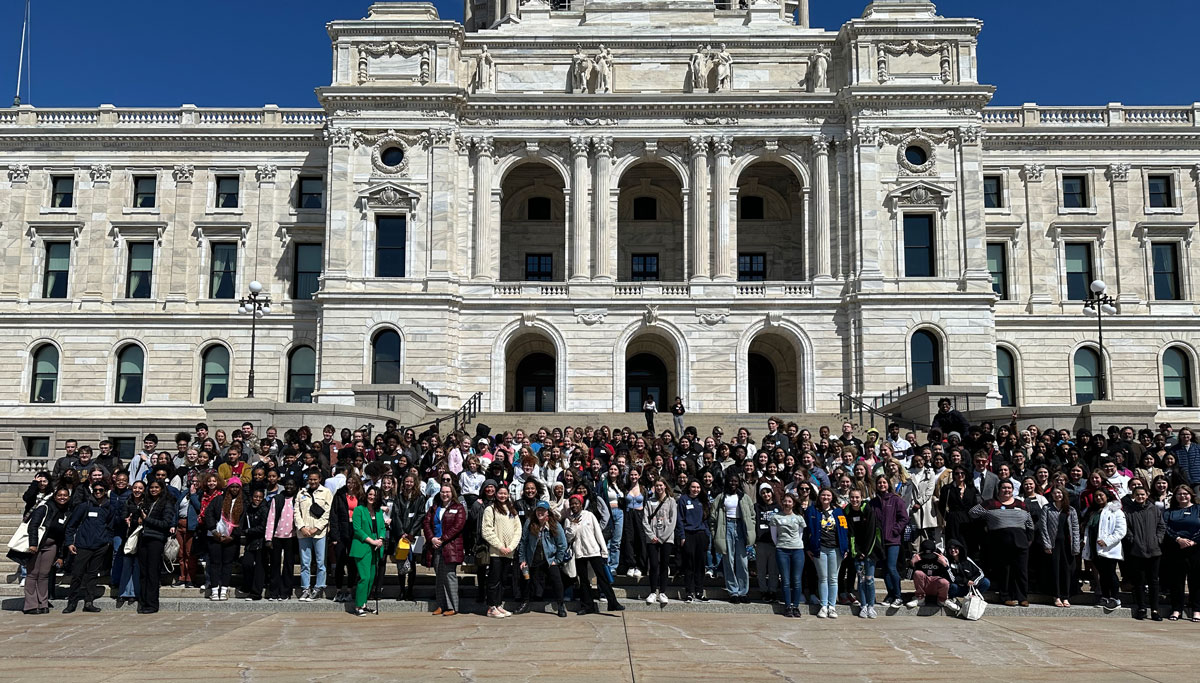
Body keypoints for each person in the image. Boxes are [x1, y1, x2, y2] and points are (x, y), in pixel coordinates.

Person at [970, 480, 1034, 607]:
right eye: (1004, 488)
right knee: (1005, 572)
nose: (1007, 490)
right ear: (999, 489)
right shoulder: (990, 503)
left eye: (1009, 488)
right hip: (999, 545)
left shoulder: (1021, 504)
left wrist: (1028, 540)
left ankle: (1022, 597)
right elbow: (972, 512)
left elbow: (1030, 523)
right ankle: (1005, 597)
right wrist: (985, 525)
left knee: (1021, 572)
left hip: (1020, 544)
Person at [563, 493, 624, 614]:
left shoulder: (589, 515)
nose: (574, 506)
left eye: (576, 503)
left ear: (581, 504)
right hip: (579, 553)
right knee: (584, 581)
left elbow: (598, 533)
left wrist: (604, 550)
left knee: (602, 577)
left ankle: (613, 602)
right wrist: (573, 525)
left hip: (593, 551)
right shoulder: (568, 520)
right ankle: (587, 606)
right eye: (572, 504)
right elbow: (568, 538)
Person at [63, 480, 113, 613]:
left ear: (105, 491)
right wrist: (69, 542)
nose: (97, 492)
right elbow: (71, 525)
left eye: (100, 490)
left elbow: (111, 525)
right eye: (95, 490)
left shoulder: (109, 507)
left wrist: (107, 541)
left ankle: (89, 602)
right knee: (77, 575)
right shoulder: (84, 506)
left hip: (100, 547)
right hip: (83, 545)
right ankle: (71, 602)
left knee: (92, 575)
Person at [23, 487, 71, 615]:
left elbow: (63, 537)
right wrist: (33, 544)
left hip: (52, 546)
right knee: (32, 574)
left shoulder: (67, 513)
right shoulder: (44, 508)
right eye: (60, 495)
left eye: (65, 495)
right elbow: (33, 526)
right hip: (37, 544)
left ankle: (42, 603)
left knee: (44, 575)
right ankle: (30, 605)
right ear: (55, 496)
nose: (62, 497)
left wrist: (60, 556)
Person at [518, 500, 569, 617]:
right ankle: (525, 603)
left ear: (548, 512)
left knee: (557, 580)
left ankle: (560, 605)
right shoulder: (529, 522)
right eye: (538, 510)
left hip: (549, 559)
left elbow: (562, 544)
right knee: (526, 579)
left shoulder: (554, 524)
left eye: (543, 510)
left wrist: (557, 560)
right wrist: (523, 559)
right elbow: (523, 542)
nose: (540, 512)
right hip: (532, 559)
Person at [1123, 484, 1166, 620]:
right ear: (1133, 496)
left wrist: (1158, 539)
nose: (1140, 496)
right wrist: (1132, 539)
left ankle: (1155, 609)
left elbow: (1161, 526)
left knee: (1154, 581)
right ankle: (1141, 607)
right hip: (1137, 550)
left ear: (1147, 495)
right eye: (1137, 494)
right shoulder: (1129, 511)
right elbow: (1127, 528)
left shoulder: (1154, 509)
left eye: (1143, 494)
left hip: (1154, 551)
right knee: (1139, 581)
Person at [805, 487, 849, 618]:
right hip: (820, 549)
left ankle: (832, 606)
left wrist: (845, 548)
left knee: (833, 578)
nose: (826, 498)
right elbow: (806, 531)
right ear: (819, 497)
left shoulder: (839, 512)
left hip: (836, 549)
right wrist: (808, 548)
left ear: (832, 497)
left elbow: (844, 530)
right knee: (823, 578)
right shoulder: (812, 511)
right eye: (823, 495)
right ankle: (823, 606)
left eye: (828, 495)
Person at [710, 473, 754, 603]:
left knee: (742, 561)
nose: (733, 483)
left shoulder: (744, 497)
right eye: (731, 481)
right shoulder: (721, 497)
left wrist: (751, 530)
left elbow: (752, 515)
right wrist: (715, 533)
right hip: (726, 526)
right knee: (728, 560)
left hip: (741, 527)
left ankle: (743, 592)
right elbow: (713, 518)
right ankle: (733, 591)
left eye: (735, 481)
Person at [134, 479, 176, 613]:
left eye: (157, 487)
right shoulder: (146, 502)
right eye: (151, 487)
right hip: (143, 539)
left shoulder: (167, 504)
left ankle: (152, 604)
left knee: (152, 573)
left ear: (162, 489)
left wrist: (147, 519)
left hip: (156, 540)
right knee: (143, 573)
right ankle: (143, 601)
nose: (153, 490)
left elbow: (165, 523)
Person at [424, 483, 466, 616]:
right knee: (439, 577)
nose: (445, 494)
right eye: (442, 492)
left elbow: (457, 526)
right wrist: (432, 539)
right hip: (435, 546)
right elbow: (426, 523)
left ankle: (453, 606)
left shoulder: (458, 508)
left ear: (452, 493)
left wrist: (442, 539)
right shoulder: (434, 507)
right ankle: (441, 605)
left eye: (447, 492)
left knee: (449, 576)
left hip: (450, 546)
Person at [1082, 488, 1125, 610]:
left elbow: (1121, 530)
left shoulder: (1115, 511)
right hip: (1094, 547)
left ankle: (1115, 598)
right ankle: (1105, 596)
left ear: (1107, 496)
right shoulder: (1093, 511)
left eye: (1101, 495)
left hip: (1109, 548)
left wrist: (1107, 541)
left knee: (1110, 573)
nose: (1098, 498)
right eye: (1096, 496)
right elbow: (1088, 528)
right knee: (1102, 574)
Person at [869, 474, 909, 607]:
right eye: (879, 483)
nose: (882, 485)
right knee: (885, 569)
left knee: (892, 567)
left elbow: (904, 518)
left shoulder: (896, 500)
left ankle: (898, 596)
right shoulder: (873, 502)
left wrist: (895, 530)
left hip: (893, 540)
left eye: (884, 483)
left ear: (888, 484)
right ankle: (890, 595)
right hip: (879, 541)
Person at [481, 485, 521, 618]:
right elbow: (487, 531)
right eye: (500, 493)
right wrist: (500, 546)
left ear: (508, 495)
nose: (502, 496)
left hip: (509, 552)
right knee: (494, 580)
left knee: (503, 580)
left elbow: (518, 530)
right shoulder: (490, 509)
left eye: (505, 493)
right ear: (496, 494)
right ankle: (491, 607)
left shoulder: (512, 510)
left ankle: (498, 604)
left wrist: (511, 547)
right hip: (495, 552)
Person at [1037, 485, 1080, 607]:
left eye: (1060, 493)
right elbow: (1043, 527)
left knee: (1066, 570)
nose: (1057, 495)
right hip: (1053, 544)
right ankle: (1056, 596)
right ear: (1052, 495)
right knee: (1055, 570)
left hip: (1067, 545)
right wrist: (1047, 544)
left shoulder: (1071, 510)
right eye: (1055, 493)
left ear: (1064, 494)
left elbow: (1075, 528)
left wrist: (1076, 546)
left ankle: (1066, 596)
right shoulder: (1047, 508)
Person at [294, 470, 334, 601]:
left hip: (319, 533)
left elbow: (328, 512)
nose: (312, 482)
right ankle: (305, 588)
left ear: (320, 479)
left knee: (320, 561)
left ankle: (318, 587)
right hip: (303, 532)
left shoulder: (326, 493)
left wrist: (317, 528)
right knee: (305, 562)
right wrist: (302, 527)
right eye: (310, 479)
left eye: (315, 479)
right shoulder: (301, 493)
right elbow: (296, 512)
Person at [1162, 484, 1200, 621]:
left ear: (1191, 495)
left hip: (1195, 549)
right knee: (1176, 581)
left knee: (1196, 581)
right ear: (1175, 497)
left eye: (1185, 493)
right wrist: (1178, 539)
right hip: (1176, 549)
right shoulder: (1169, 512)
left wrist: (1194, 540)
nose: (1182, 496)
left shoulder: (1198, 509)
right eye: (1179, 494)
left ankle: (1196, 609)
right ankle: (1176, 609)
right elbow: (1165, 528)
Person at [203, 477, 243, 601]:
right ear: (228, 487)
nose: (234, 489)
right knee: (215, 564)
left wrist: (232, 536)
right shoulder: (218, 500)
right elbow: (208, 515)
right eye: (232, 486)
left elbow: (242, 522)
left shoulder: (242, 503)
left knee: (227, 564)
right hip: (215, 537)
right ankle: (214, 590)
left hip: (231, 539)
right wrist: (214, 532)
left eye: (237, 487)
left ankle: (224, 589)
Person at [350, 486, 387, 617]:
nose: (372, 497)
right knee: (364, 577)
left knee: (371, 578)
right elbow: (357, 529)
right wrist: (372, 541)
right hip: (362, 546)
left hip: (375, 548)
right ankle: (358, 605)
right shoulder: (359, 510)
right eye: (370, 494)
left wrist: (381, 538)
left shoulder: (378, 512)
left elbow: (382, 527)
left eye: (375, 495)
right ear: (366, 495)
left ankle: (364, 603)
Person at [770, 491, 807, 617]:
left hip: (797, 549)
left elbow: (800, 534)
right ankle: (787, 606)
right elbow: (774, 536)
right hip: (782, 549)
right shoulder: (776, 517)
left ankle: (795, 606)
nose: (787, 503)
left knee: (796, 580)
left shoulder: (799, 518)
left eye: (789, 501)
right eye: (785, 501)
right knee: (785, 580)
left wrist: (795, 544)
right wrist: (781, 544)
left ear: (793, 503)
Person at [844, 488, 879, 618]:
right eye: (852, 497)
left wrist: (865, 552)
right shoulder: (847, 511)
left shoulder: (868, 510)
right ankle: (863, 606)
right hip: (857, 552)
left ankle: (871, 606)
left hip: (870, 551)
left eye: (857, 497)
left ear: (862, 497)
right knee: (861, 580)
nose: (854, 500)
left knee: (869, 580)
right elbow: (850, 533)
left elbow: (871, 533)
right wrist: (857, 552)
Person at [391, 473, 426, 601]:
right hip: (401, 535)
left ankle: (410, 590)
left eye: (411, 482)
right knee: (401, 562)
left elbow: (421, 515)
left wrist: (411, 532)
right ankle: (401, 590)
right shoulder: (398, 497)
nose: (409, 484)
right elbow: (396, 514)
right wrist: (401, 532)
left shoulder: (420, 498)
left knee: (412, 563)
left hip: (413, 535)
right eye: (407, 481)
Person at [642, 479, 677, 605]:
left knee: (664, 565)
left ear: (665, 486)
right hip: (652, 539)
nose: (659, 488)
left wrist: (662, 538)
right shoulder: (649, 502)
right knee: (654, 565)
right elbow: (645, 520)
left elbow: (673, 521)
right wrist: (651, 535)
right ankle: (652, 591)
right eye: (656, 485)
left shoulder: (671, 501)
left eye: (661, 485)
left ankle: (662, 592)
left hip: (666, 539)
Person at [264, 476, 298, 601]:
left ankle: (285, 592)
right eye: (287, 485)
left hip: (291, 537)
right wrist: (269, 538)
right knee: (275, 564)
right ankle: (274, 591)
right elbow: (271, 518)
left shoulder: (298, 499)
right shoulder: (277, 499)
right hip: (277, 536)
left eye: (292, 485)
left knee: (289, 565)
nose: (289, 487)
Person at [677, 480, 709, 603]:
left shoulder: (702, 501)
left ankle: (699, 591)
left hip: (700, 534)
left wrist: (706, 534)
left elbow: (706, 519)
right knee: (689, 564)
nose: (695, 489)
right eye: (693, 487)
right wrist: (682, 535)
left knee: (700, 565)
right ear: (689, 488)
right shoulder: (683, 500)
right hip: (688, 534)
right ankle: (689, 592)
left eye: (698, 487)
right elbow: (680, 519)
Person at [238, 487, 269, 601]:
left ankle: (256, 593)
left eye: (260, 497)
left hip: (261, 542)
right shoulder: (248, 509)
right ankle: (247, 586)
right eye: (256, 497)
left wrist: (248, 531)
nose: (258, 499)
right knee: (247, 564)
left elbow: (263, 527)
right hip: (250, 542)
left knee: (259, 568)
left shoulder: (264, 509)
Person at [907, 539, 955, 611]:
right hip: (924, 586)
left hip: (937, 587)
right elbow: (908, 577)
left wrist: (945, 565)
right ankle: (920, 599)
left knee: (944, 582)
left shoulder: (942, 558)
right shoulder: (916, 557)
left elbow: (952, 580)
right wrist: (912, 563)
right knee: (918, 573)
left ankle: (942, 600)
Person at [752, 483, 780, 604]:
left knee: (773, 570)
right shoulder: (756, 507)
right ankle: (763, 590)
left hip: (774, 543)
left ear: (772, 493)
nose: (766, 495)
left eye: (768, 492)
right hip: (761, 542)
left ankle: (772, 591)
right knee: (761, 569)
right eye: (763, 493)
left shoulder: (778, 507)